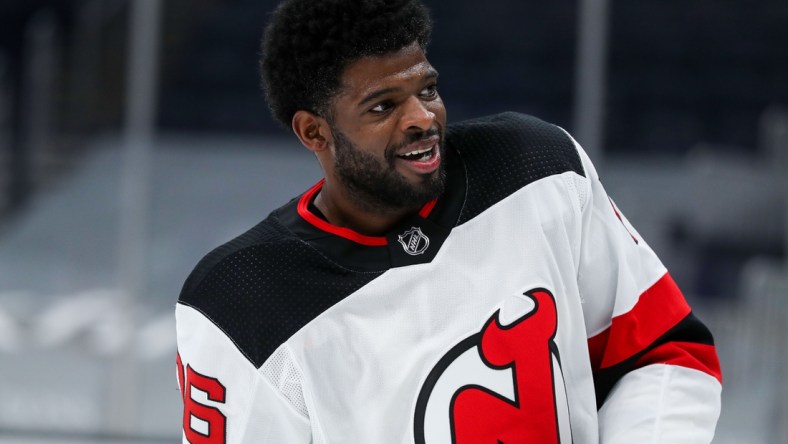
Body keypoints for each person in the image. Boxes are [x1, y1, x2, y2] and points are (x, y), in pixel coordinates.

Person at [174, 0, 722, 442]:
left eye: (427, 89)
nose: (422, 118)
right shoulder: (236, 302)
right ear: (314, 133)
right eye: (383, 106)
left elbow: (665, 351)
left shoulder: (536, 170)